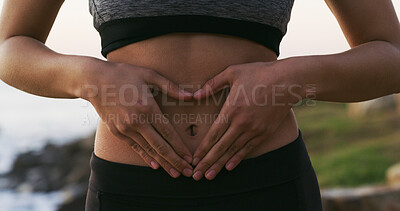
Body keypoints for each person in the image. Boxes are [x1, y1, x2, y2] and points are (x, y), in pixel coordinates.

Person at [0, 0, 399, 210]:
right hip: (128, 190)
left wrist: (288, 81)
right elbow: (10, 47)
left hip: (267, 185)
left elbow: (390, 54)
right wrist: (88, 79)